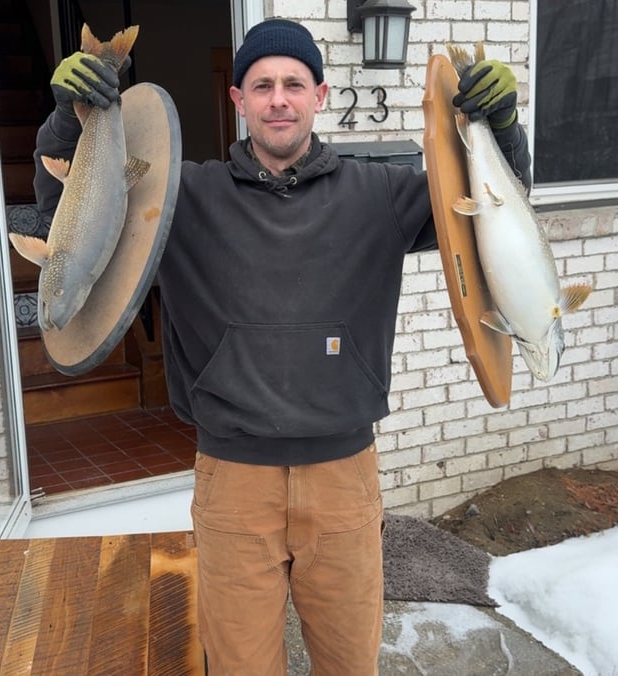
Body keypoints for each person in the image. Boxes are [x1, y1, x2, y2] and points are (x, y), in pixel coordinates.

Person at [33, 18, 531, 675]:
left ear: (319, 96)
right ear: (237, 98)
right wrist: (70, 123)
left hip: (344, 483)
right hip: (233, 482)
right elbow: (69, 221)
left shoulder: (378, 193)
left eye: (293, 83)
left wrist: (503, 126)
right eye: (261, 84)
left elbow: (498, 210)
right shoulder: (178, 194)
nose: (278, 98)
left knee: (351, 664)